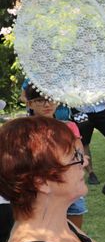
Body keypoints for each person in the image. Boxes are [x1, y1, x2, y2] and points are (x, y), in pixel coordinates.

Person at [25, 84, 88, 229]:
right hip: (39, 188)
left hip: (68, 184)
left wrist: (79, 160)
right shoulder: (25, 130)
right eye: (40, 100)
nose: (47, 104)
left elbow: (79, 153)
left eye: (50, 99)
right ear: (30, 103)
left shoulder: (68, 126)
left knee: (74, 232)